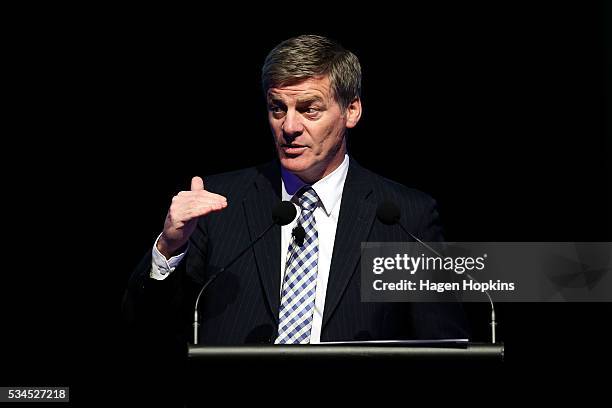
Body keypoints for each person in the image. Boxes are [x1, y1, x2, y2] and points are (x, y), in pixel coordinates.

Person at [122, 34, 468, 347]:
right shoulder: (217, 204)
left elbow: (442, 348)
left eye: (309, 109)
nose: (289, 127)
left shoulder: (405, 217)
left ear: (352, 111)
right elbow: (147, 331)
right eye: (278, 109)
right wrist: (168, 247)